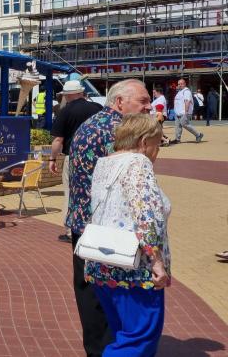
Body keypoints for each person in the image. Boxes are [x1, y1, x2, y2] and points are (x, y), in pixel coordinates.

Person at [65, 78, 151, 357]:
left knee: (89, 294)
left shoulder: (90, 124)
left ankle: (97, 349)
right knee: (110, 298)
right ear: (119, 102)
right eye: (143, 101)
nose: (148, 107)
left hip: (83, 224)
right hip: (106, 228)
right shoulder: (118, 131)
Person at [86, 113, 170, 356]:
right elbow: (146, 213)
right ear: (144, 142)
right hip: (134, 267)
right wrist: (156, 261)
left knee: (122, 331)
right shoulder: (138, 162)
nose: (158, 151)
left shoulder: (105, 163)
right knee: (138, 338)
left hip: (102, 262)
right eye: (157, 144)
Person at [49, 80, 102, 243]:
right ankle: (95, 227)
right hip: (97, 158)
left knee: (71, 194)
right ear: (81, 92)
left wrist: (52, 158)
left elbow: (58, 139)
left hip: (74, 158)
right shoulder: (97, 108)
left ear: (67, 95)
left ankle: (71, 231)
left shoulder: (65, 111)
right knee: (95, 193)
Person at [171, 78, 202, 144]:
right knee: (178, 126)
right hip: (178, 112)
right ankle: (177, 139)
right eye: (179, 84)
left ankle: (198, 134)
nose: (180, 85)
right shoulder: (179, 92)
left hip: (184, 112)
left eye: (181, 84)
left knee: (184, 124)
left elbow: (187, 101)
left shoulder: (186, 91)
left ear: (185, 84)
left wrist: (186, 112)